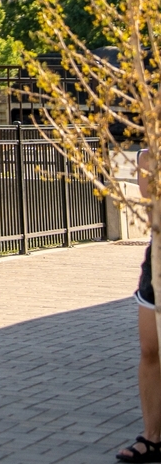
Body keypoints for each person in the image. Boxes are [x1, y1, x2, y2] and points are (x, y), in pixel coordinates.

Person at [121, 149, 161, 462]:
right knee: (150, 349)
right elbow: (152, 216)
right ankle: (152, 438)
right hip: (159, 258)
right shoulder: (150, 156)